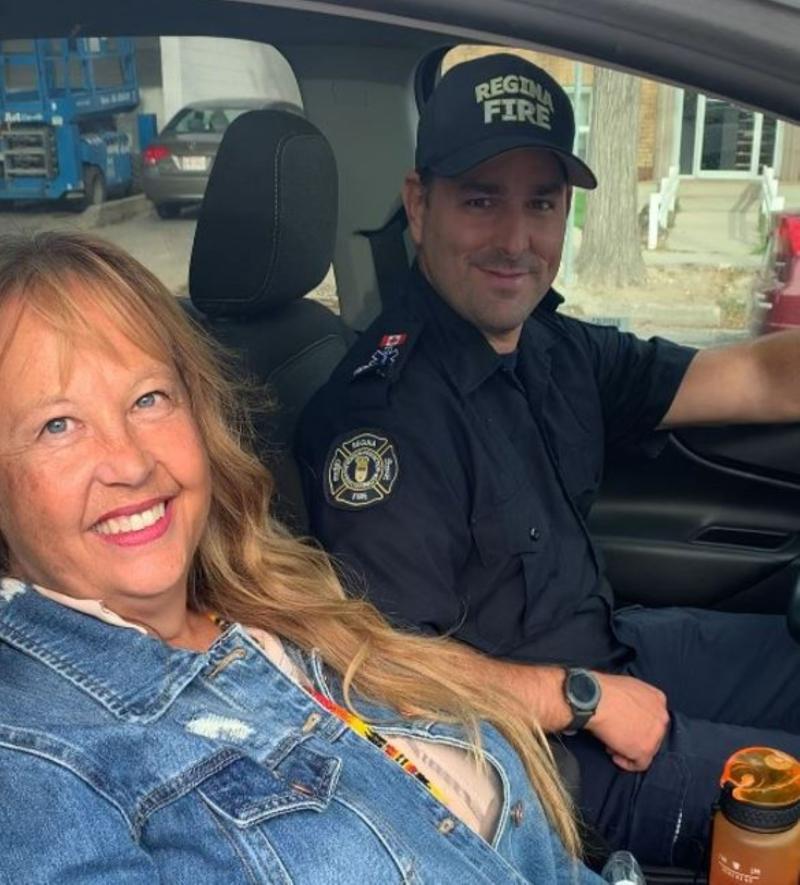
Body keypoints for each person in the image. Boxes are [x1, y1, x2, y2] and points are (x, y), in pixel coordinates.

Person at [295, 52, 800, 868]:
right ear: (419, 207)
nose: (516, 241)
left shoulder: (555, 348)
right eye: (481, 200)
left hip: (611, 651)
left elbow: (748, 376)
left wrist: (597, 680)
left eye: (541, 203)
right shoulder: (381, 422)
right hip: (535, 756)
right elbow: (388, 674)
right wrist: (583, 698)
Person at [0, 230, 608, 884]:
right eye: (57, 425)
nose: (130, 460)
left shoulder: (268, 601)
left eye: (149, 398)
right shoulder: (31, 768)